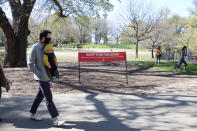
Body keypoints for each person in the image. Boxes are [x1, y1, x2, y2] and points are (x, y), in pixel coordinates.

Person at [27, 30, 66, 127]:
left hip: (48, 76)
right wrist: (39, 74)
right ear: (43, 37)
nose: (50, 39)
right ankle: (55, 119)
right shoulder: (35, 47)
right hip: (41, 77)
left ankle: (32, 113)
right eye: (49, 37)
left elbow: (52, 58)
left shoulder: (48, 46)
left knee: (40, 95)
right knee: (48, 97)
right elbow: (30, 64)